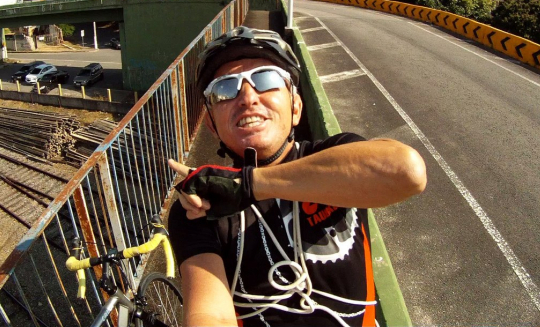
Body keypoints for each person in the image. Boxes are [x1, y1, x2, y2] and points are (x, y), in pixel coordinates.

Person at [167, 26, 427, 327]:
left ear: (296, 107)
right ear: (212, 126)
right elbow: (209, 314)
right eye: (225, 88)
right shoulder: (198, 207)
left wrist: (250, 185)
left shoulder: (335, 155)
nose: (248, 97)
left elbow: (407, 172)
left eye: (267, 79)